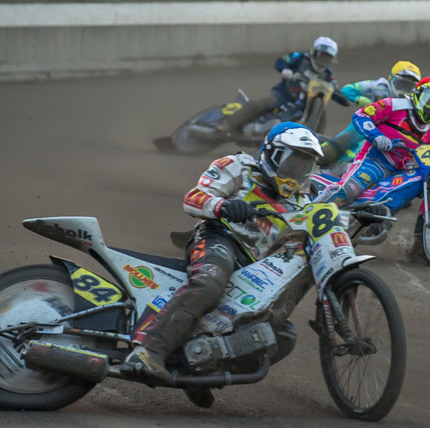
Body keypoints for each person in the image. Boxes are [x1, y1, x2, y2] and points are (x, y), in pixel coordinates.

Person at [122, 122, 324, 384]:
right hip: (219, 238)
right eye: (291, 163)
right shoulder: (239, 166)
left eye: (303, 166)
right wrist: (224, 207)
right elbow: (193, 198)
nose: (295, 171)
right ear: (272, 153)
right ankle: (147, 352)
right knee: (209, 283)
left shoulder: (303, 201)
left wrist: (369, 215)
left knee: (280, 335)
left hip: (254, 267)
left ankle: (197, 368)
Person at [315, 77, 430, 249]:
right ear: (417, 95)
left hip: (402, 170)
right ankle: (311, 213)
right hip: (375, 160)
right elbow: (361, 115)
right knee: (350, 190)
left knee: (427, 184)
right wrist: (377, 136)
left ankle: (419, 243)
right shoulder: (394, 105)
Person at [217, 37, 340, 135]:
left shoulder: (327, 74)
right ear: (314, 52)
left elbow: (337, 92)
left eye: (327, 57)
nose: (323, 59)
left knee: (318, 115)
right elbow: (281, 61)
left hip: (303, 105)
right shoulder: (301, 58)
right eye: (322, 55)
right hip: (284, 93)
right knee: (261, 103)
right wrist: (286, 69)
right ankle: (228, 125)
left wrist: (347, 95)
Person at [319, 60, 422, 167]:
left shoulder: (414, 103)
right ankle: (319, 156)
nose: (403, 91)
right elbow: (347, 89)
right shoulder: (378, 87)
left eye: (409, 87)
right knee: (342, 142)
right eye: (402, 84)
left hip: (390, 137)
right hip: (365, 126)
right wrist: (359, 99)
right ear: (391, 79)